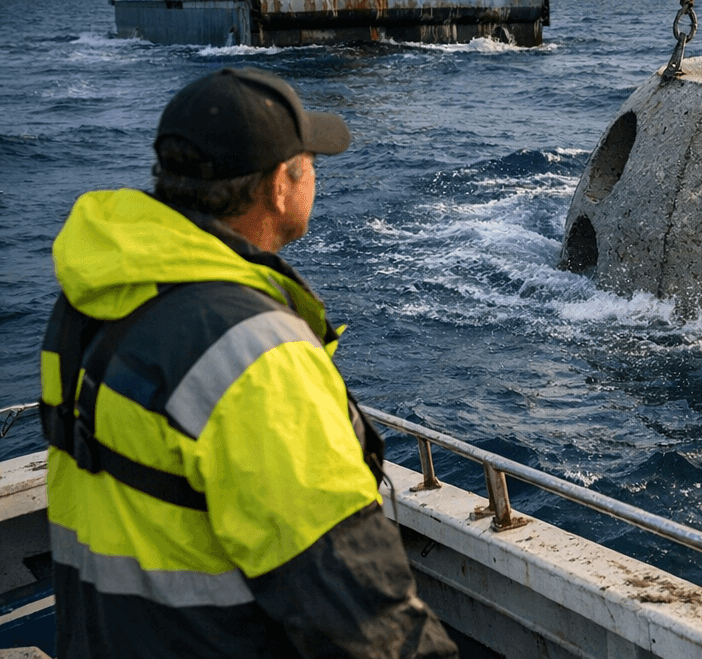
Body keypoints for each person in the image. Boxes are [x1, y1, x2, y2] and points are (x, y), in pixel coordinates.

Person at [39, 67, 458, 659]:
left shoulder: (91, 298)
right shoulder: (255, 357)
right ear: (281, 187)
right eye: (310, 161)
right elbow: (362, 619)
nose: (317, 175)